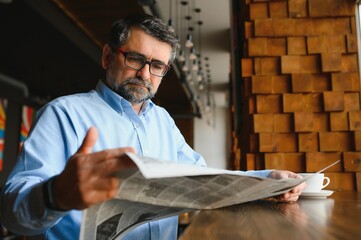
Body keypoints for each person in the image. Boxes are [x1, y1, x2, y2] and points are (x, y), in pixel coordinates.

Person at [0, 13, 305, 239]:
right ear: (108, 57)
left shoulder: (162, 121)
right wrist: (54, 195)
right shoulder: (62, 114)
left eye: (157, 66)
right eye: (135, 59)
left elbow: (206, 179)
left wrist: (267, 182)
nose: (145, 74)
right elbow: (12, 212)